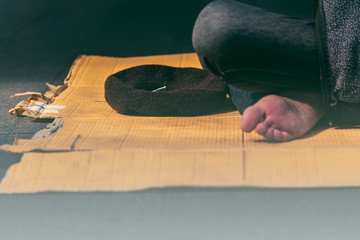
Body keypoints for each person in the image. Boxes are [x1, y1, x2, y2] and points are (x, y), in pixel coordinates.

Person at [192, 0, 360, 141]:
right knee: (217, 31)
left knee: (215, 29)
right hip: (339, 40)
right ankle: (327, 94)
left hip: (346, 56)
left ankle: (322, 98)